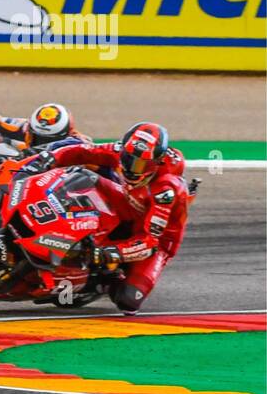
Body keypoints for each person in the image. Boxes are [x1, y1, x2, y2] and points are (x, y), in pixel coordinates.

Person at [19, 121, 192, 314]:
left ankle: (102, 282)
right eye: (128, 158)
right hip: (127, 202)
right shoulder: (119, 150)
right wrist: (49, 158)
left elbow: (149, 242)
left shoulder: (166, 190)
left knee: (128, 301)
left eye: (141, 164)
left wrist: (110, 253)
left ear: (156, 162)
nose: (131, 167)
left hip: (155, 239)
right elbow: (84, 151)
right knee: (83, 174)